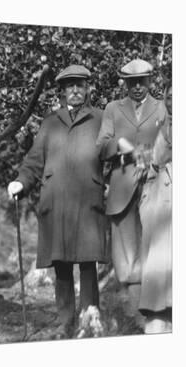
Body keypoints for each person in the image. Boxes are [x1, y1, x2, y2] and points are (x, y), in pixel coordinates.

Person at [7, 65, 109, 338]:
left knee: (88, 263)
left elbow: (113, 156)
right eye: (70, 86)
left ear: (87, 89)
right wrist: (21, 182)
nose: (75, 90)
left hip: (88, 201)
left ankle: (89, 320)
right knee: (61, 264)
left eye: (80, 85)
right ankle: (65, 322)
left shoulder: (101, 119)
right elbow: (34, 161)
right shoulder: (50, 123)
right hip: (57, 203)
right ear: (62, 92)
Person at [95, 59, 167, 327]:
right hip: (122, 184)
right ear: (124, 83)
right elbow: (101, 146)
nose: (137, 87)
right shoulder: (113, 109)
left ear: (150, 80)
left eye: (142, 81)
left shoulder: (162, 107)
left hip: (156, 185)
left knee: (158, 251)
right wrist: (120, 144)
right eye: (131, 82)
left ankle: (158, 318)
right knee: (126, 258)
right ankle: (136, 319)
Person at [137, 82, 172, 333]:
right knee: (159, 294)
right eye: (170, 97)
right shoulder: (163, 127)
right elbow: (152, 165)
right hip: (161, 208)